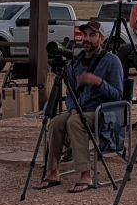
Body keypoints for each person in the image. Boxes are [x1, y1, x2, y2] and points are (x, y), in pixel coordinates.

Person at [40, 18, 125, 193]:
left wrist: (98, 82)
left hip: (102, 112)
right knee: (56, 121)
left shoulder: (112, 61)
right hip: (78, 110)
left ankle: (85, 174)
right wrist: (71, 108)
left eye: (92, 35)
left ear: (101, 39)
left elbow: (118, 95)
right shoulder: (75, 62)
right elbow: (70, 92)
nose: (87, 39)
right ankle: (53, 171)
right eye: (84, 35)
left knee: (75, 122)